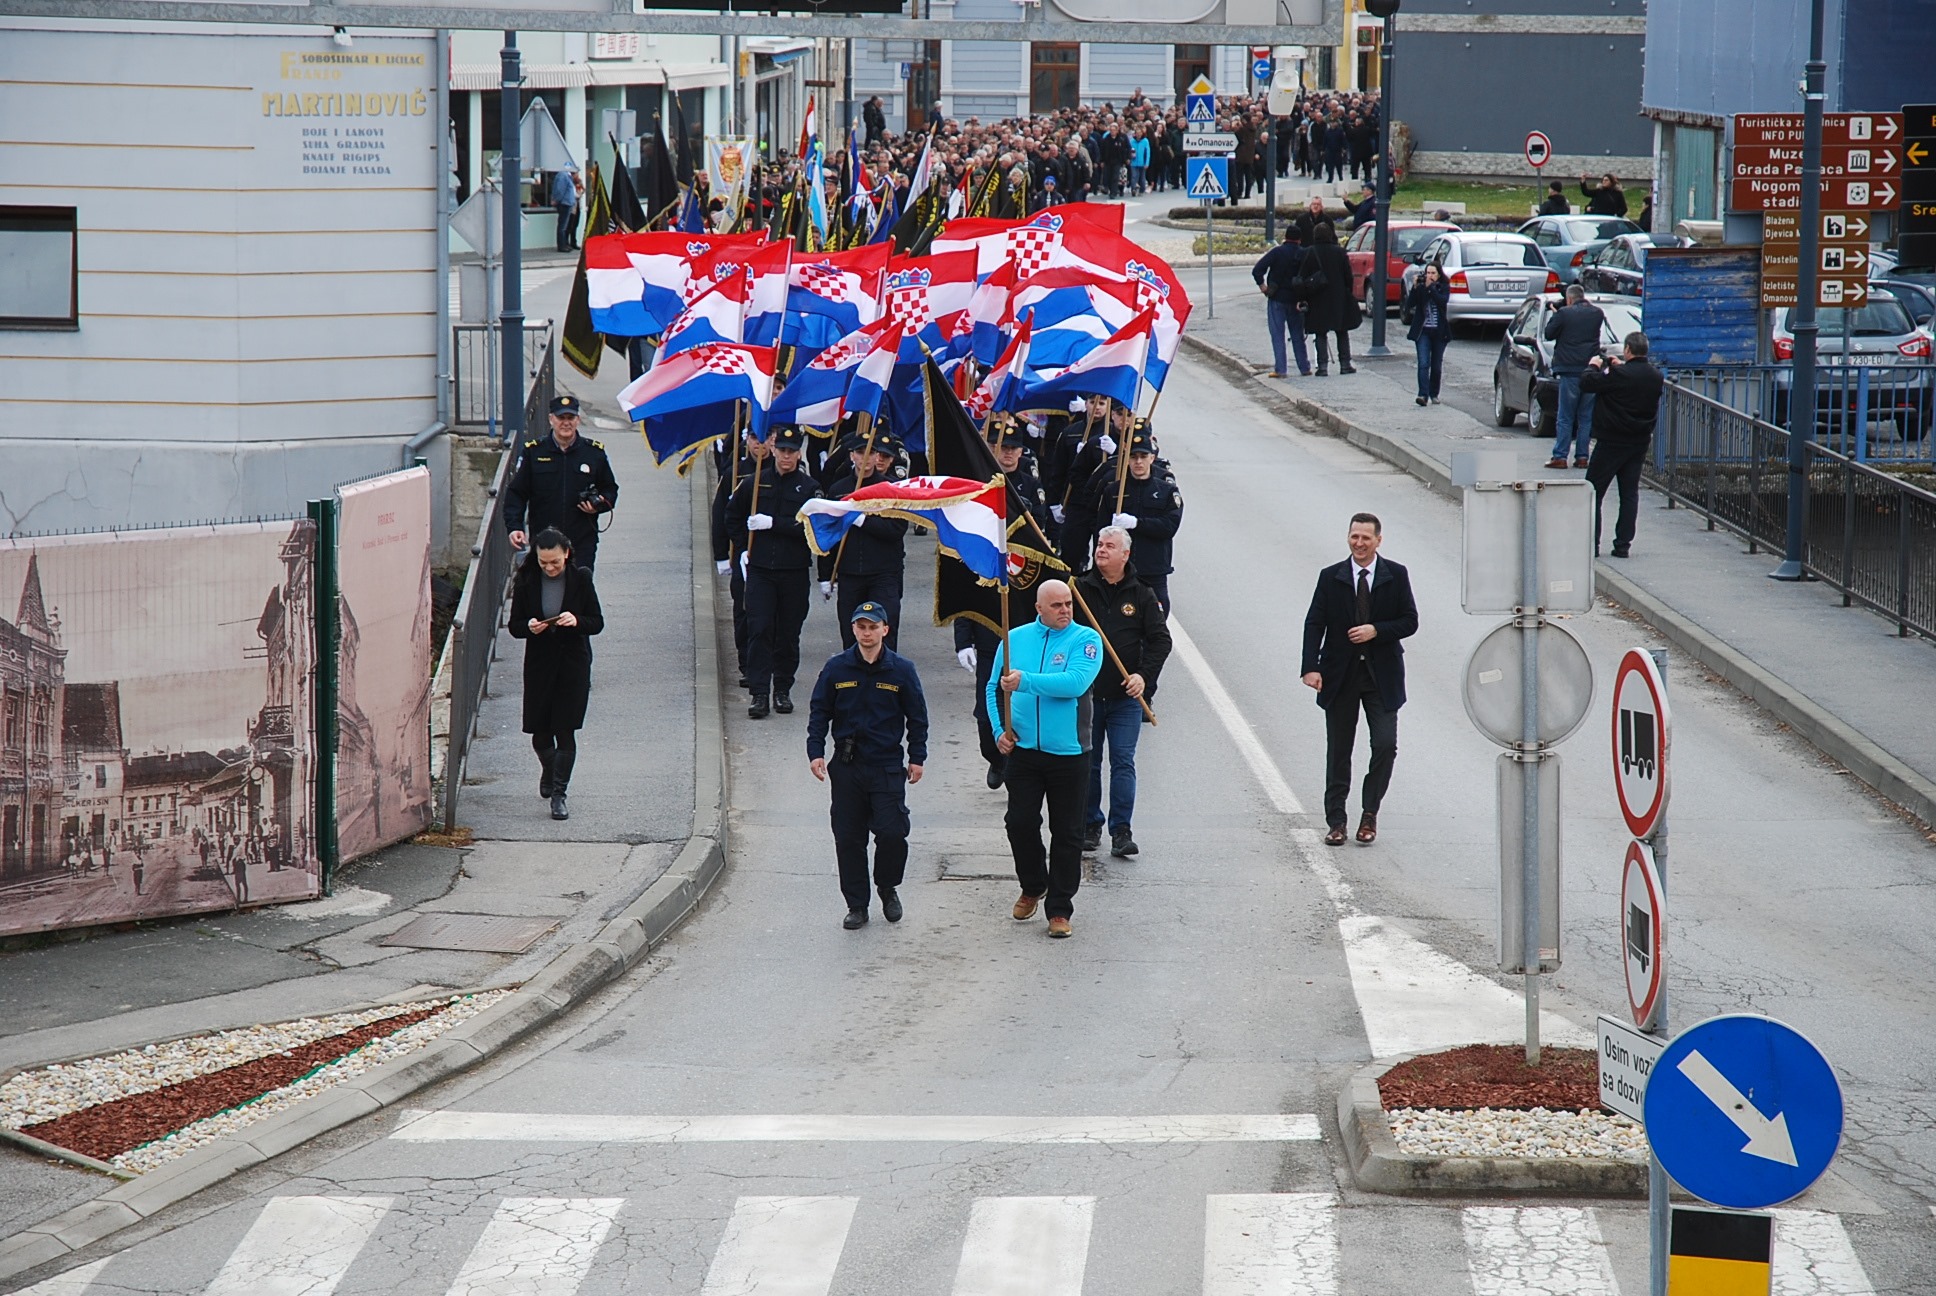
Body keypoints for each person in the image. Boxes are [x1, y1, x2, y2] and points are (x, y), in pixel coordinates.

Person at [990, 580, 1104, 939]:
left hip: (1069, 753)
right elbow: (993, 686)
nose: (1065, 610)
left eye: (1068, 603)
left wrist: (1025, 682)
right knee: (1019, 822)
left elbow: (1073, 683)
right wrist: (998, 730)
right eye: (1056, 605)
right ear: (1039, 608)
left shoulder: (1085, 640)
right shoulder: (1015, 639)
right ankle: (1033, 884)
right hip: (1024, 751)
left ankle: (1059, 908)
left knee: (1067, 833)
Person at [807, 600, 929, 930]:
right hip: (847, 767)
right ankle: (857, 904)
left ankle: (887, 887)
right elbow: (820, 712)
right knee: (848, 837)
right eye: (861, 626)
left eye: (873, 626)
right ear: (853, 630)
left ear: (885, 630)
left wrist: (917, 757)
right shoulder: (837, 668)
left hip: (886, 765)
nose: (867, 632)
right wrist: (815, 751)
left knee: (892, 833)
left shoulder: (901, 670)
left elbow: (917, 717)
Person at [1300, 513, 1419, 847]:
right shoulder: (1331, 576)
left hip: (1382, 677)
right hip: (1341, 676)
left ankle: (1370, 812)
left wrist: (1376, 630)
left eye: (1366, 538)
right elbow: (1314, 623)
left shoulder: (1395, 575)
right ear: (1348, 538)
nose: (1359, 543)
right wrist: (1311, 667)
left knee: (1384, 745)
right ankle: (1336, 820)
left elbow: (1410, 621)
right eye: (1354, 537)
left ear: (1378, 540)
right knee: (1339, 751)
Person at [1075, 526, 1170, 859]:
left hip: (1125, 699)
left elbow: (1161, 641)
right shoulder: (1079, 589)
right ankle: (1089, 825)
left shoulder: (1142, 595)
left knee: (1122, 762)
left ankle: (1121, 831)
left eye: (1109, 545)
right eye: (1099, 544)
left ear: (1125, 554)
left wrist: (1144, 677)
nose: (1101, 549)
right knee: (1088, 762)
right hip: (1086, 696)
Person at [726, 425, 823, 719]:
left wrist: (775, 524)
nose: (786, 456)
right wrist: (742, 547)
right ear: (773, 449)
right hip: (760, 571)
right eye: (782, 450)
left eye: (792, 452)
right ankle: (758, 693)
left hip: (793, 571)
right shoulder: (755, 484)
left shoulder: (809, 489)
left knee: (787, 633)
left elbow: (813, 527)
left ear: (798, 454)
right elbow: (732, 516)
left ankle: (782, 689)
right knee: (759, 629)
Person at [508, 528, 605, 820]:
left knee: (565, 729)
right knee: (539, 731)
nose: (550, 568)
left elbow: (596, 622)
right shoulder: (526, 581)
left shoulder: (581, 579)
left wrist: (576, 620)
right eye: (544, 563)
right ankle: (550, 768)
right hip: (539, 662)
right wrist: (530, 627)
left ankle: (560, 794)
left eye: (555, 563)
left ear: (567, 555)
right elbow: (514, 626)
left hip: (572, 662)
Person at [505, 394, 619, 571]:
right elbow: (517, 493)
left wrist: (599, 505)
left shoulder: (593, 453)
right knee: (546, 592)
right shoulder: (534, 452)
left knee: (580, 589)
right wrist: (515, 527)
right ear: (551, 419)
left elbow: (610, 489)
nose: (566, 423)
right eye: (561, 418)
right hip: (545, 541)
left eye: (570, 418)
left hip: (582, 539)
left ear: (578, 420)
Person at [820, 431, 909, 650]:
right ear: (852, 456)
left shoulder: (891, 490)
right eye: (861, 452)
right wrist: (825, 575)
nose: (866, 458)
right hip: (850, 573)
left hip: (883, 573)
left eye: (871, 452)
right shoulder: (839, 490)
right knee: (851, 635)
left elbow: (896, 529)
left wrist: (863, 520)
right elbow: (829, 533)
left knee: (885, 634)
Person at [1084, 423, 1182, 614]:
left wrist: (1136, 523)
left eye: (1143, 456)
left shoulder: (1167, 492)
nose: (1138, 462)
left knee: (1157, 618)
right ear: (1126, 459)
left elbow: (1169, 526)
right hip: (1121, 569)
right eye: (1134, 457)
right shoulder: (1114, 491)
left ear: (1152, 458)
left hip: (1153, 568)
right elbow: (1099, 530)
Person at [1581, 332, 1664, 559]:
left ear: (1627, 349)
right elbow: (1632, 379)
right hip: (1638, 441)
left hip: (1611, 441)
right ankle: (1623, 545)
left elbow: (1587, 383)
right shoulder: (1655, 376)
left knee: (1593, 492)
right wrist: (1618, 367)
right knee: (1629, 494)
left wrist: (1594, 365)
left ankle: (1592, 544)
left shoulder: (1619, 375)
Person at [1543, 284, 1608, 468]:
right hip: (1590, 370)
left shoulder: (1564, 314)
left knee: (1565, 416)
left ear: (1569, 299)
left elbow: (1549, 333)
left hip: (1569, 370)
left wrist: (1557, 313)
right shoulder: (1597, 313)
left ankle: (1560, 456)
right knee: (1586, 416)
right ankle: (1582, 457)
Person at [1297, 222, 1361, 377]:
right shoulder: (1340, 252)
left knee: (1320, 333)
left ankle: (1323, 366)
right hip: (1339, 297)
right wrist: (1347, 293)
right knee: (1342, 331)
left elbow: (1302, 277)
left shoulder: (1310, 252)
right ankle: (1345, 364)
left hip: (1318, 297)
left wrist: (1303, 297)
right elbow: (1348, 276)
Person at [1253, 227, 1312, 378]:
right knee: (1298, 335)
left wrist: (1263, 287)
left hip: (1277, 298)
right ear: (1299, 239)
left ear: (1285, 237)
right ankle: (1304, 367)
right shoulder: (1303, 253)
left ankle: (1281, 369)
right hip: (1296, 299)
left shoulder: (1277, 252)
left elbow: (1257, 270)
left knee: (1277, 334)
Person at [1405, 263, 1453, 406]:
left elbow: (1442, 301)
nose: (1430, 276)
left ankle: (1434, 393)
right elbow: (1410, 304)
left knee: (1436, 365)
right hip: (1423, 331)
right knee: (1423, 363)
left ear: (1439, 275)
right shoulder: (1421, 288)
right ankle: (1422, 394)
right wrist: (1415, 288)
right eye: (1428, 273)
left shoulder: (1443, 288)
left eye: (1433, 273)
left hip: (1439, 332)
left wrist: (1431, 287)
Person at [551, 167, 580, 253]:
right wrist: (557, 200)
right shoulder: (563, 176)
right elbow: (560, 190)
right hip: (564, 204)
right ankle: (562, 246)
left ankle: (564, 245)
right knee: (562, 226)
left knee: (564, 226)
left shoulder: (566, 176)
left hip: (567, 203)